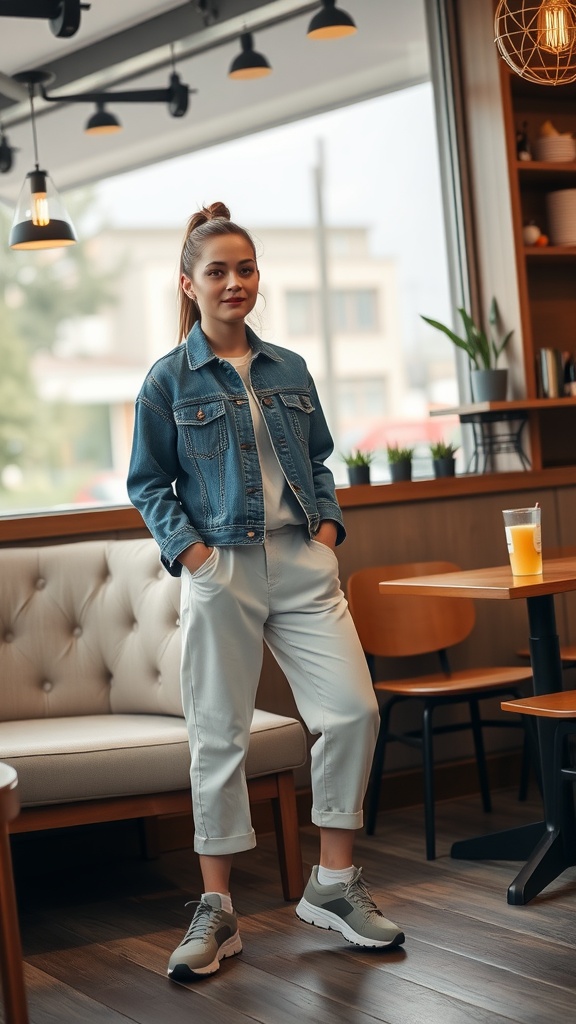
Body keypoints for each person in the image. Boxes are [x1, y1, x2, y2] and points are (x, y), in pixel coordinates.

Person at [127, 201, 405, 981]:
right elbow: (148, 482)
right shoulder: (167, 379)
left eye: (245, 268)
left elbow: (318, 461)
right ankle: (217, 911)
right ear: (189, 283)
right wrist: (195, 557)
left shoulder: (289, 368)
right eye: (217, 271)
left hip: (301, 560)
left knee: (352, 710)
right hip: (223, 567)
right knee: (219, 733)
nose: (234, 282)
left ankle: (335, 884)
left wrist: (326, 534)